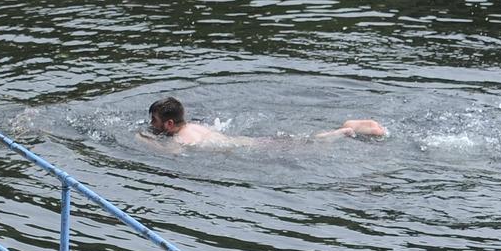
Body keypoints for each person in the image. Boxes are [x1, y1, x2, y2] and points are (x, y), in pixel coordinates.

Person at [145, 96, 387, 147]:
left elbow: (172, 155)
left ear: (168, 124)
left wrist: (144, 141)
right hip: (244, 142)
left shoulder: (181, 138)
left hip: (251, 147)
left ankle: (345, 131)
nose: (151, 124)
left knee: (305, 144)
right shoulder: (192, 126)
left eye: (154, 121)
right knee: (298, 141)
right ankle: (345, 128)